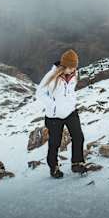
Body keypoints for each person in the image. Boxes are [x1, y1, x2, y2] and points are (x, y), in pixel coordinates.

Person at [35, 49, 87, 178]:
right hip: (54, 117)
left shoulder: (75, 74)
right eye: (71, 67)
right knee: (55, 143)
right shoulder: (51, 76)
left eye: (75, 67)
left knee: (78, 137)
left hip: (70, 112)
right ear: (64, 65)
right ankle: (54, 167)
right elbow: (39, 93)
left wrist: (72, 102)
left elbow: (70, 91)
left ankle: (77, 163)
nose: (73, 70)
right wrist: (52, 106)